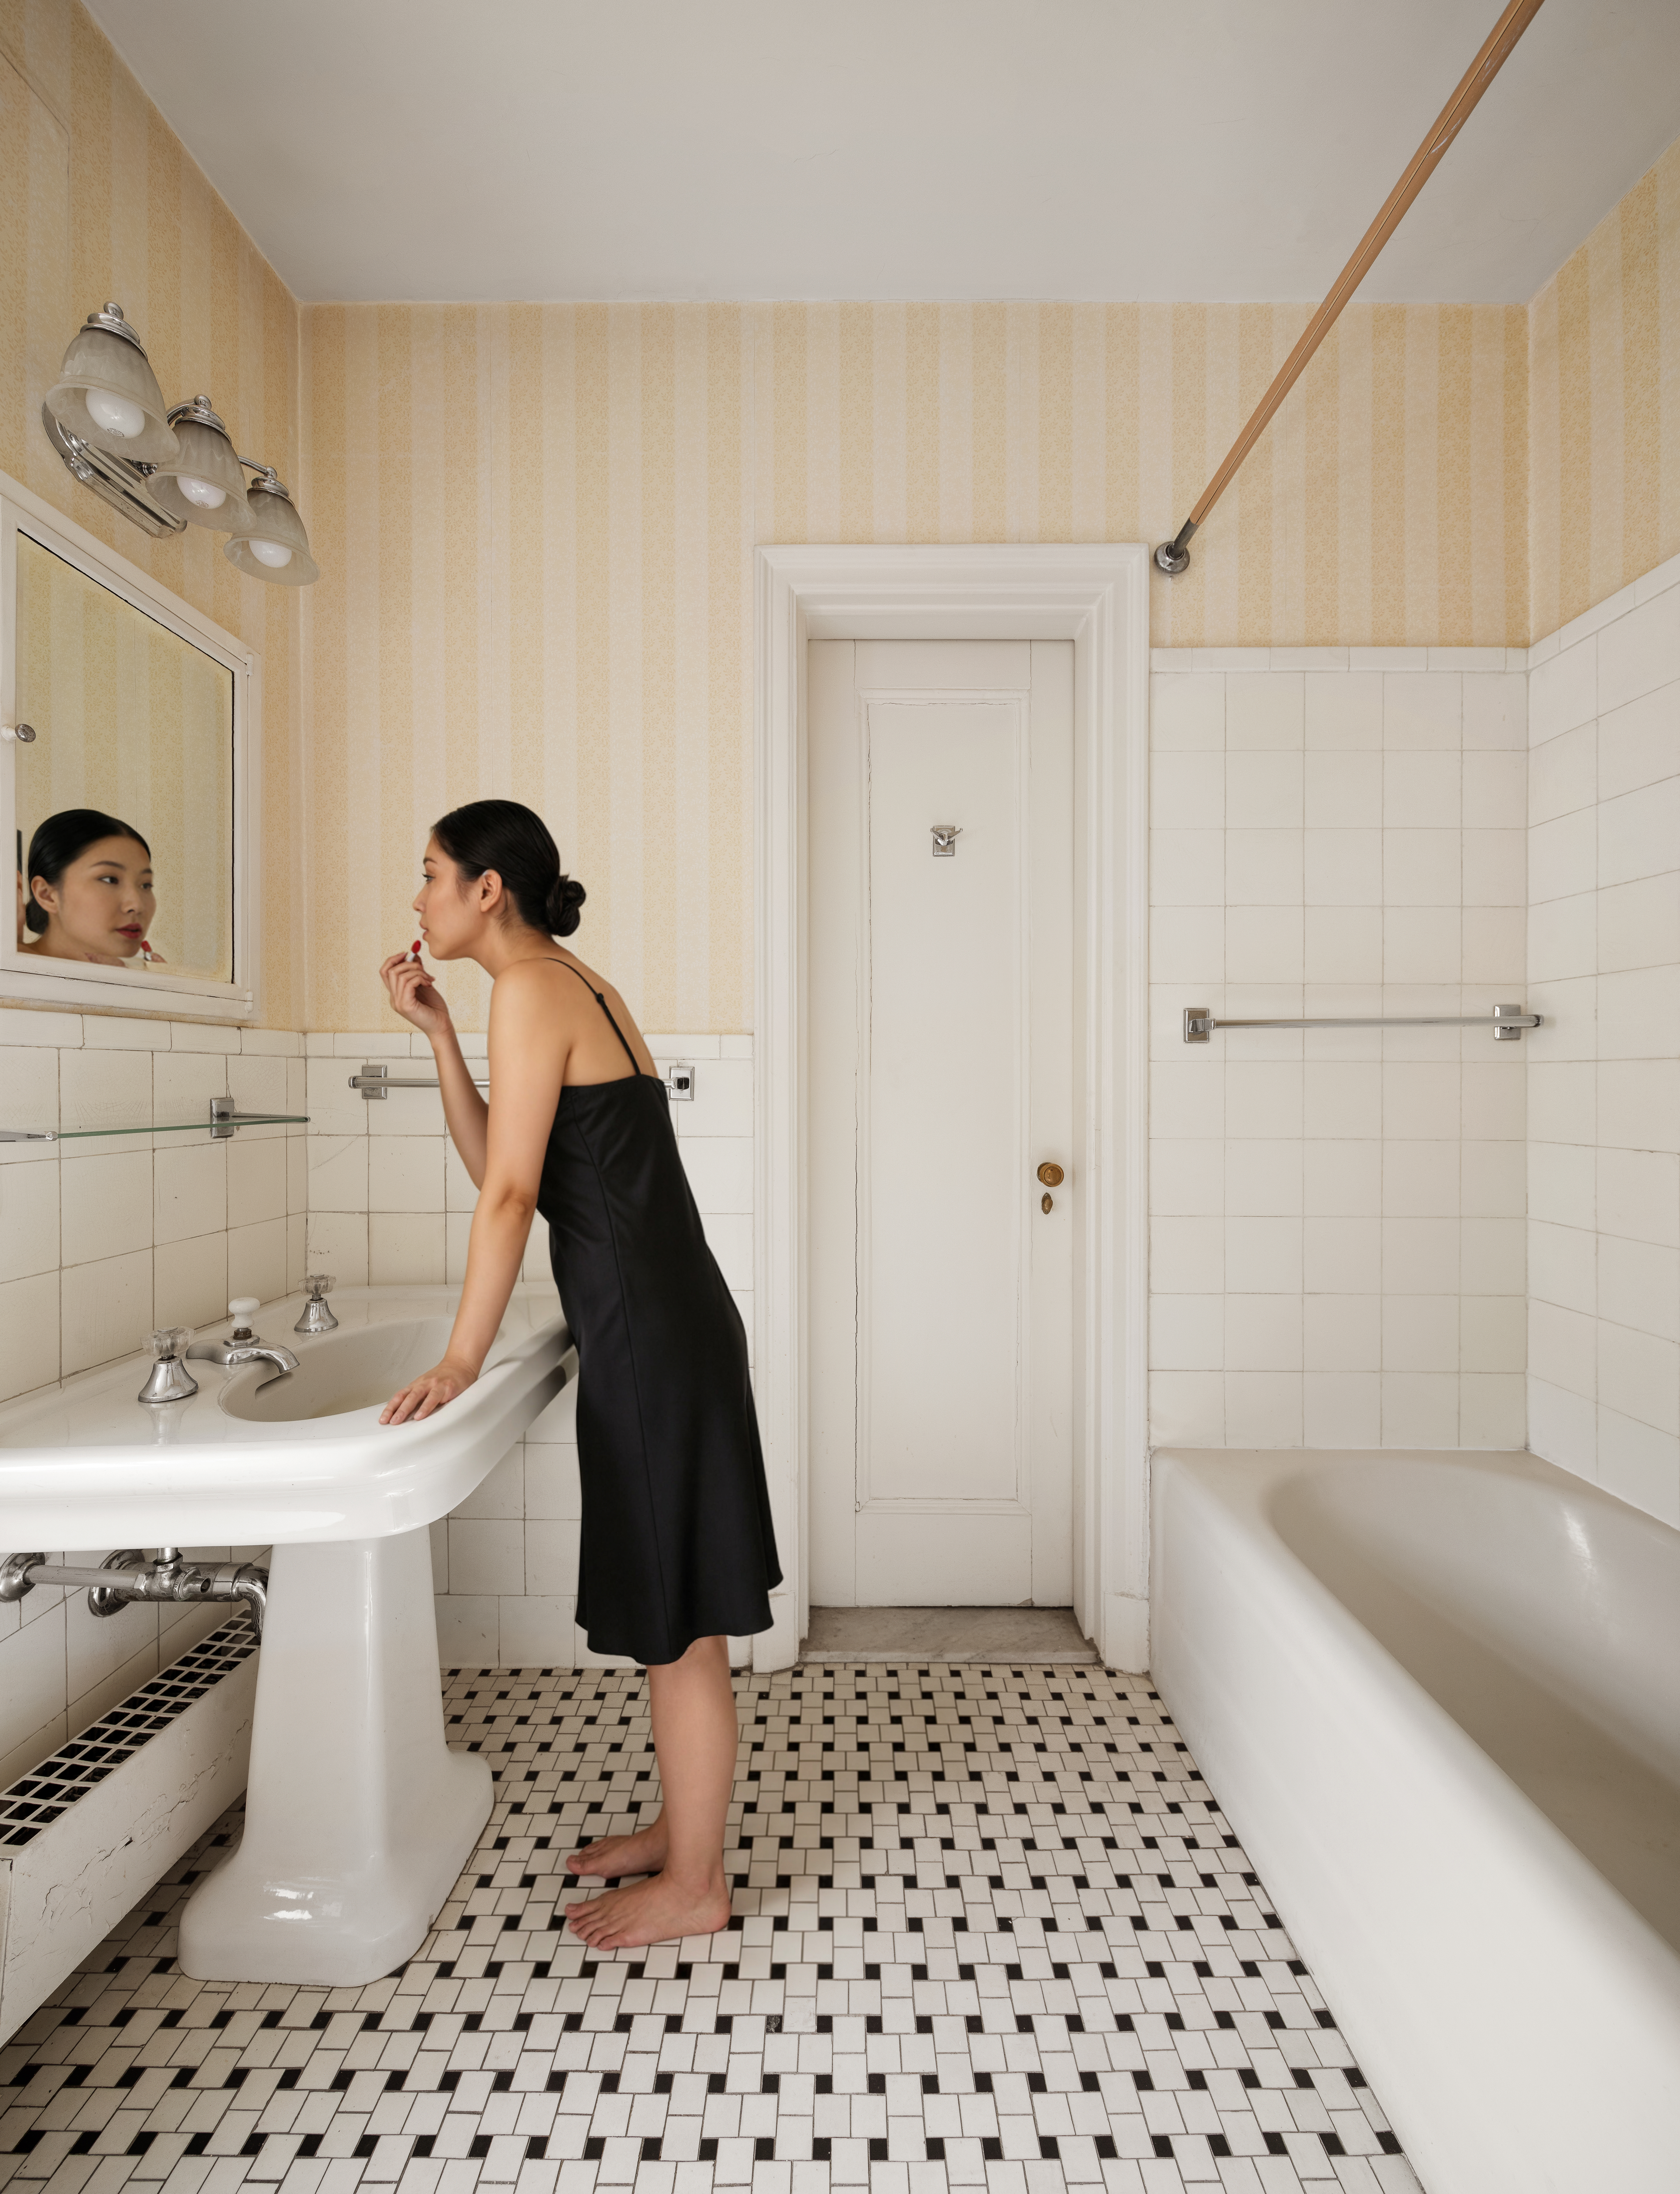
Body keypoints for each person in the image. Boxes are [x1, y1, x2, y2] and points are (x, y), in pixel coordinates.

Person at [377, 798, 780, 1951]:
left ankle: (697, 1883)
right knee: (675, 1605)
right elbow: (510, 1163)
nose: (418, 900)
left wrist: (462, 1356)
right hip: (666, 1325)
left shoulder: (536, 989)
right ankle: (680, 1828)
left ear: (485, 888)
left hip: (653, 1337)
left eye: (430, 875)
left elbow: (508, 1198)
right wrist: (439, 1038)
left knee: (679, 1622)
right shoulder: (562, 983)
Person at [19, 809, 165, 966]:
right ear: (46, 895)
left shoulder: (145, 973)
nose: (137, 906)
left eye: (146, 885)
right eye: (110, 880)